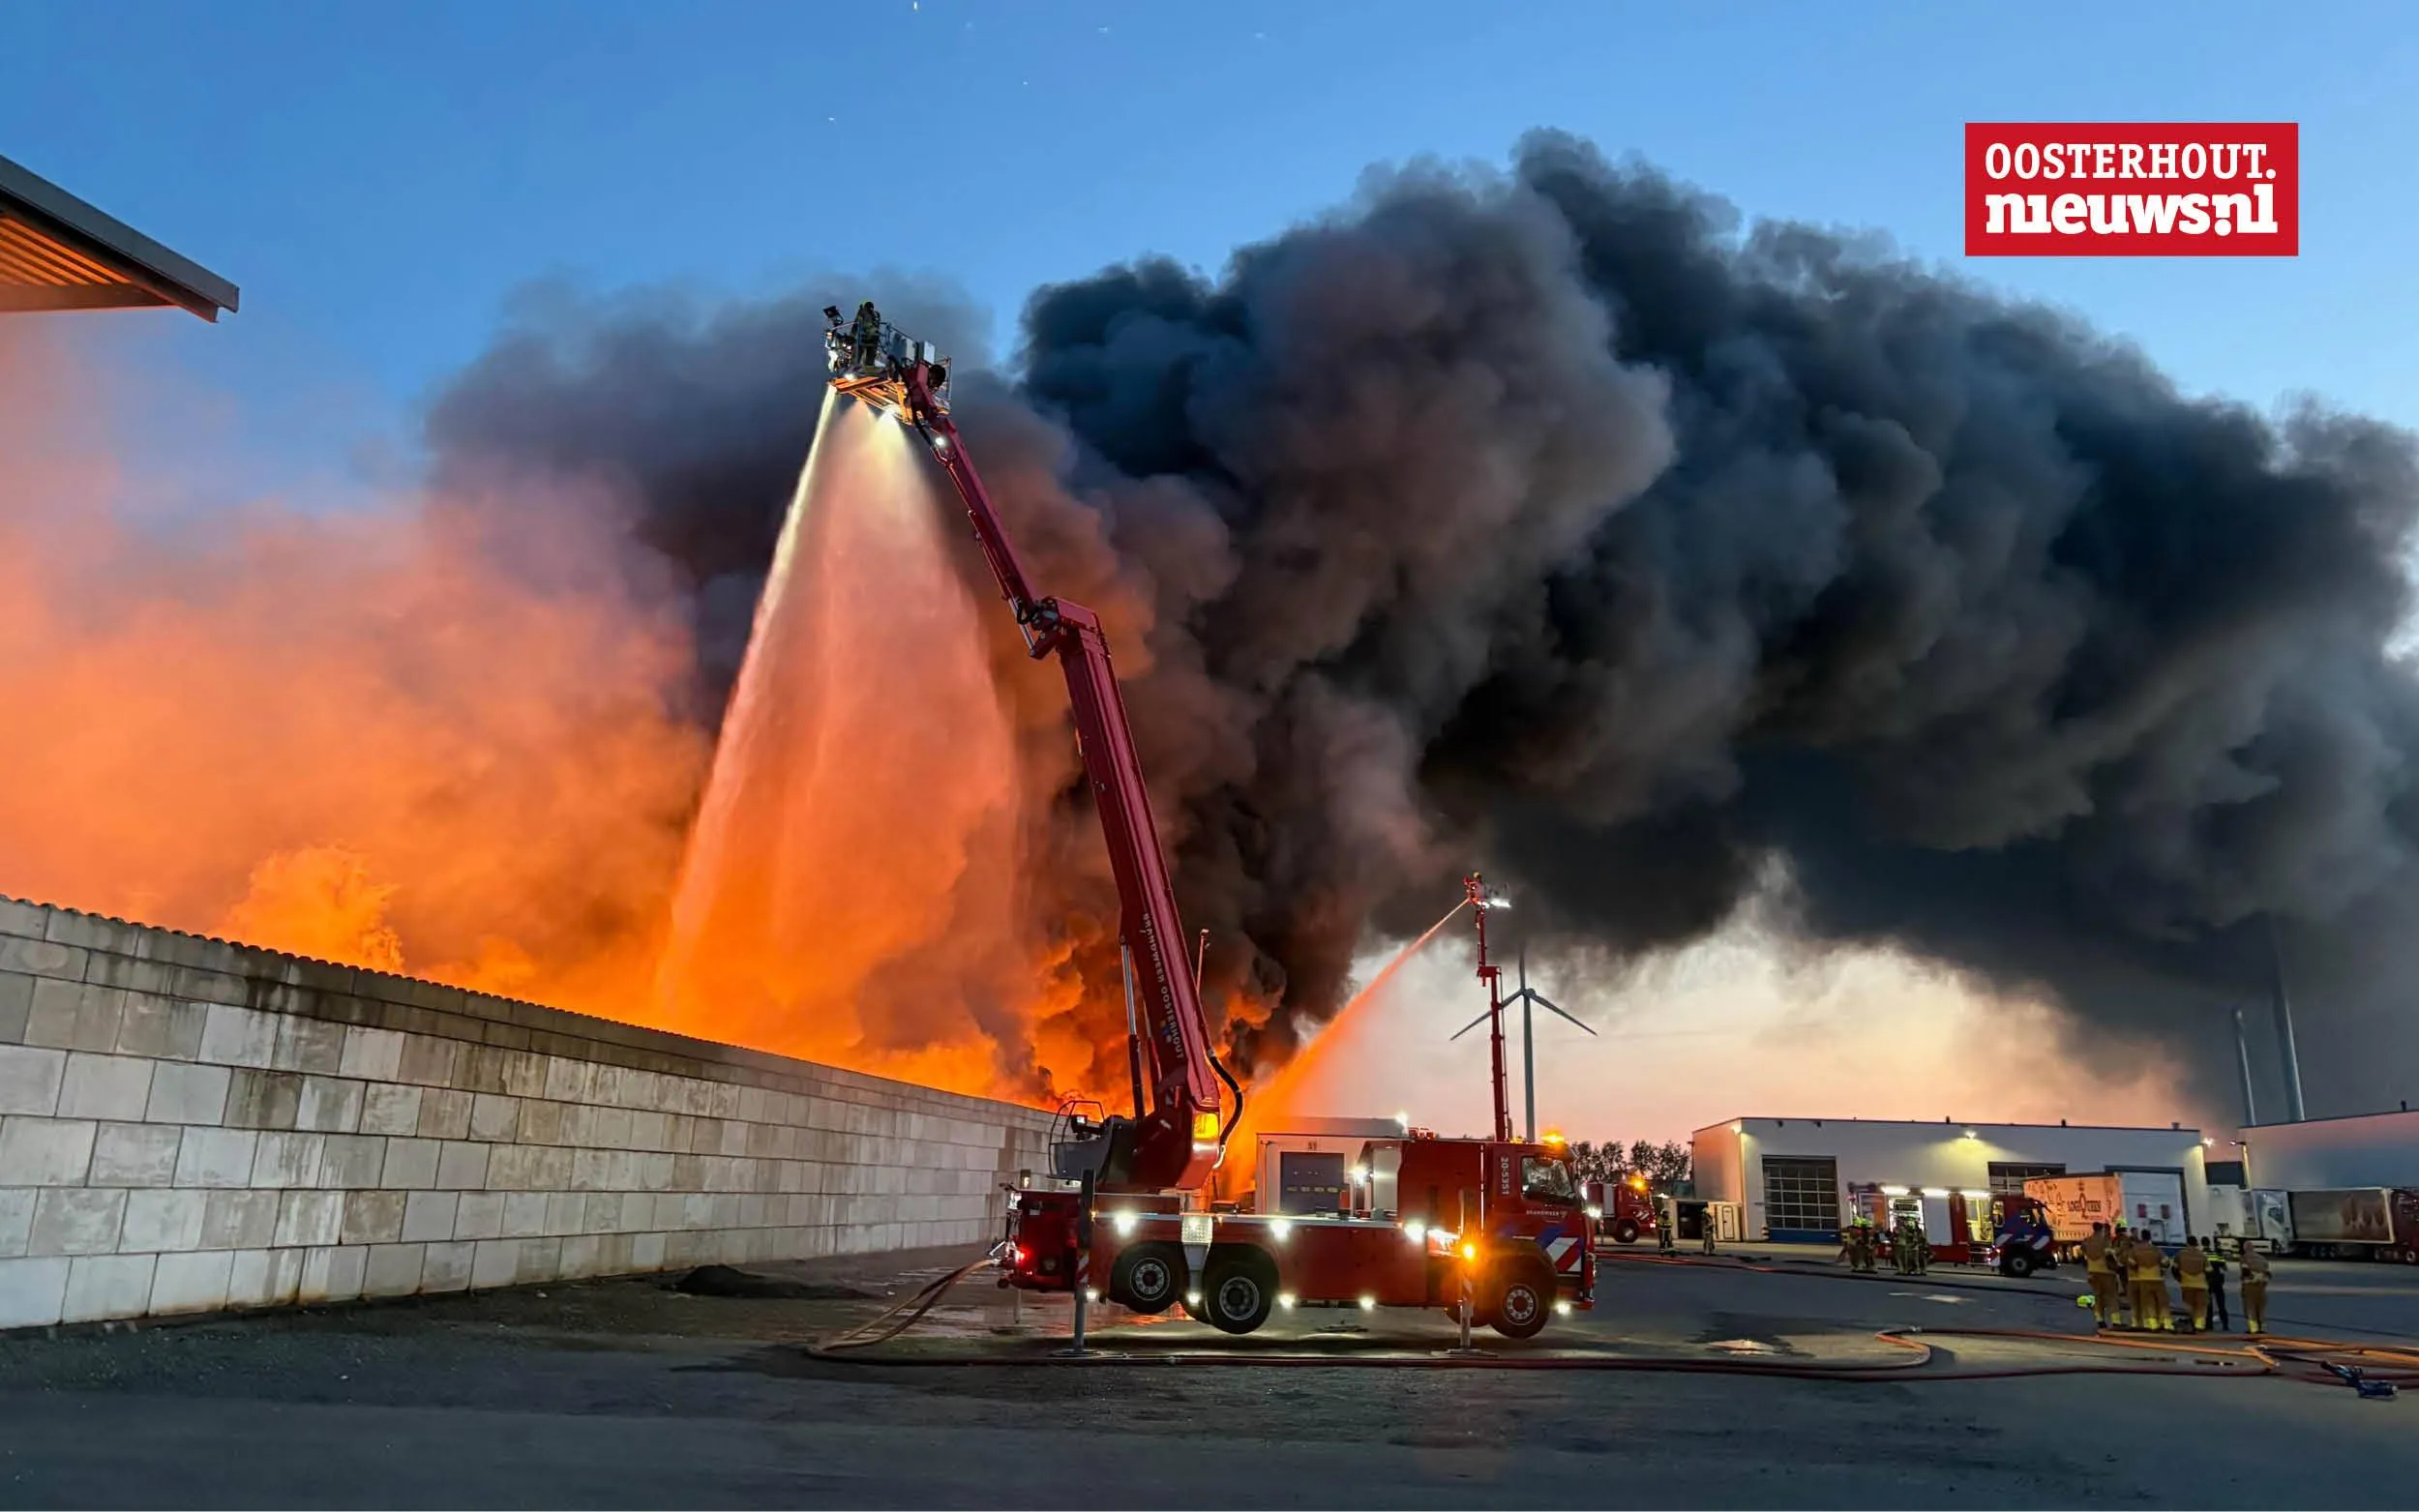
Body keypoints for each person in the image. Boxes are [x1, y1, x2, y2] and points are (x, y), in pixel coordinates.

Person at [2130, 1230, 2170, 1331]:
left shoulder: (2135, 1250)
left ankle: (2153, 1324)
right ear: (2150, 1237)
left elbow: (2132, 1263)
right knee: (2162, 1301)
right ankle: (2166, 1323)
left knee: (2148, 1302)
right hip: (2157, 1279)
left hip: (2143, 1279)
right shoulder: (2156, 1249)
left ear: (2141, 1237)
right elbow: (2166, 1262)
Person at [2081, 1222, 2118, 1329]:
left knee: (2098, 1297)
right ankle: (2116, 1321)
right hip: (2106, 1272)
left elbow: (2083, 1252)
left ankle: (2100, 1319)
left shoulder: (2087, 1241)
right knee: (2111, 1297)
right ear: (2101, 1229)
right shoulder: (2104, 1241)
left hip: (2093, 1272)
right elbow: (2109, 1254)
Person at [2174, 1234, 2209, 1332]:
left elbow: (2174, 1269)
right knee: (2201, 1306)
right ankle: (2200, 1325)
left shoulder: (2180, 1254)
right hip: (2201, 1285)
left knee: (2189, 1305)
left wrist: (2179, 1279)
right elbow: (2209, 1270)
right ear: (2196, 1244)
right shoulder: (2202, 1255)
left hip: (2187, 1284)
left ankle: (2192, 1323)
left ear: (2187, 1243)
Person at [2239, 1239, 2271, 1335]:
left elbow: (2245, 1271)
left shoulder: (2245, 1258)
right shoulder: (2262, 1258)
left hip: (2250, 1285)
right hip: (2262, 1286)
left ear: (2245, 1249)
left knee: (2250, 1307)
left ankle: (2254, 1329)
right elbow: (2268, 1274)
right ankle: (2262, 1328)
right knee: (2261, 1308)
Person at [851, 300, 882, 371]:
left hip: (864, 337)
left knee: (857, 355)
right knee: (869, 358)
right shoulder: (876, 314)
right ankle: (868, 368)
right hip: (873, 337)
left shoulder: (862, 313)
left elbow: (855, 325)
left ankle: (854, 368)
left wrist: (852, 336)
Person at [2206, 1242, 2230, 1332]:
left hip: (2207, 1281)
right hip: (2218, 1281)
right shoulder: (2218, 1254)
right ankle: (2225, 1325)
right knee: (2221, 1304)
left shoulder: (2202, 1254)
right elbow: (2225, 1268)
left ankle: (2209, 1325)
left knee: (2208, 1304)